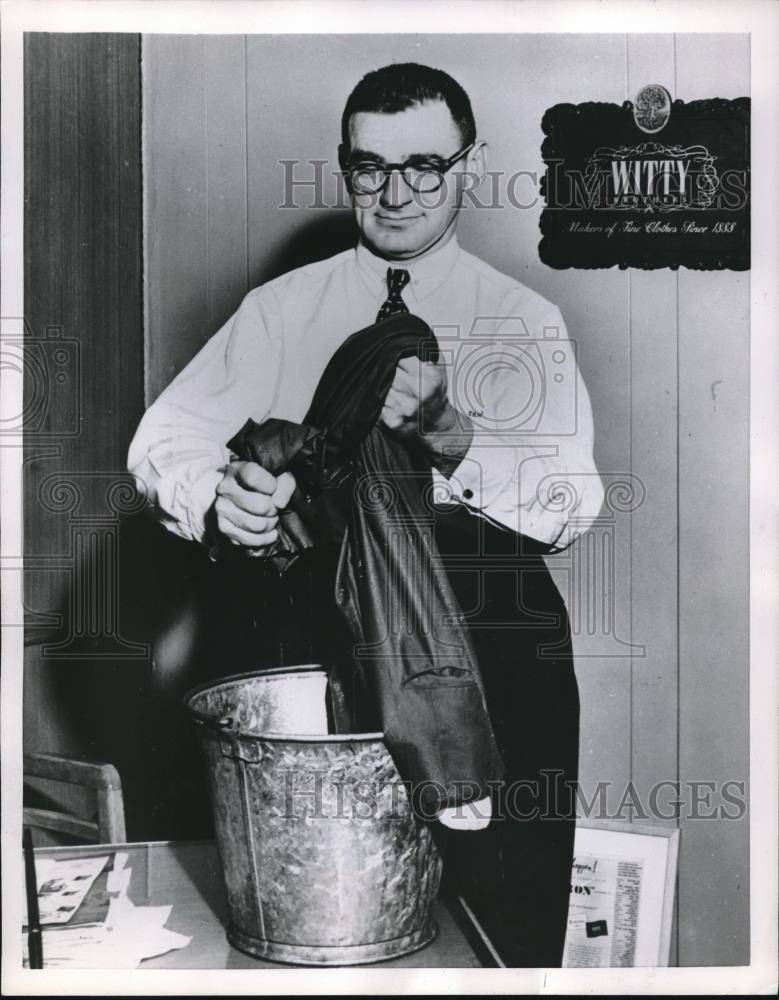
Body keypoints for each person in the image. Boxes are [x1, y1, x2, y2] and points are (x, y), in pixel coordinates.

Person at [128, 62, 603, 967]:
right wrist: (218, 501)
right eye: (367, 167)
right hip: (314, 639)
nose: (394, 193)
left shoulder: (522, 320)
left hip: (498, 643)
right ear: (344, 167)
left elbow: (570, 502)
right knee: (321, 906)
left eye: (423, 165)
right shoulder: (279, 309)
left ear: (468, 163)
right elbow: (163, 442)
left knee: (504, 915)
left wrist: (457, 440)